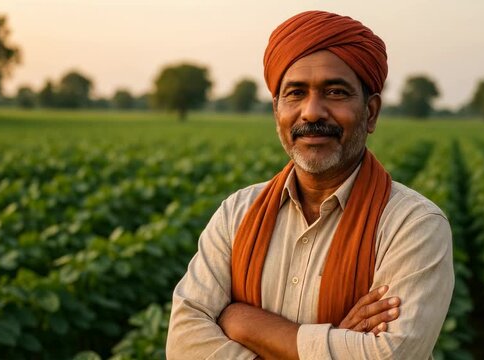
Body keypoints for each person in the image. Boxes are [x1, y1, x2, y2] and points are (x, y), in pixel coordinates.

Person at [166, 10, 454, 360]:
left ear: (372, 113)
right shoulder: (236, 214)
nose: (312, 112)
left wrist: (244, 323)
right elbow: (183, 343)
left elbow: (390, 355)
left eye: (335, 92)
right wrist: (336, 342)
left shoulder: (414, 225)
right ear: (277, 113)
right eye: (295, 93)